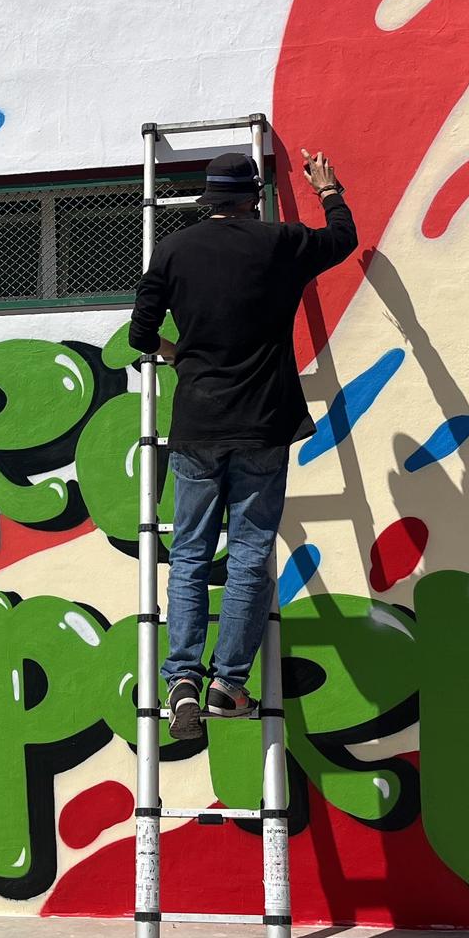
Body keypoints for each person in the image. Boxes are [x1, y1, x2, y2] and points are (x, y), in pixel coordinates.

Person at [129, 147, 357, 741]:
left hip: (198, 424)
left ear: (208, 201)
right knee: (251, 553)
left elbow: (141, 334)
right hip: (263, 423)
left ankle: (180, 676)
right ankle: (227, 686)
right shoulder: (279, 242)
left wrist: (183, 360)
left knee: (188, 555)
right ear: (254, 198)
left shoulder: (174, 251)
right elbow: (342, 240)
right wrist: (326, 188)